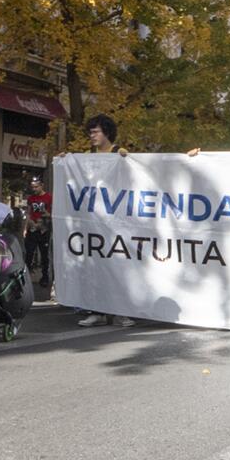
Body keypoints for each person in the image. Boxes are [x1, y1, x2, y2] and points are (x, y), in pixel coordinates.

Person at [76, 114, 134, 329]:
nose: (92, 136)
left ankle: (121, 311)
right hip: (94, 222)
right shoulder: (87, 157)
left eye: (96, 132)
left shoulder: (120, 153)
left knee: (118, 266)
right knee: (95, 268)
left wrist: (127, 160)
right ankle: (97, 311)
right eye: (90, 133)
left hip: (116, 221)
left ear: (107, 132)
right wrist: (65, 162)